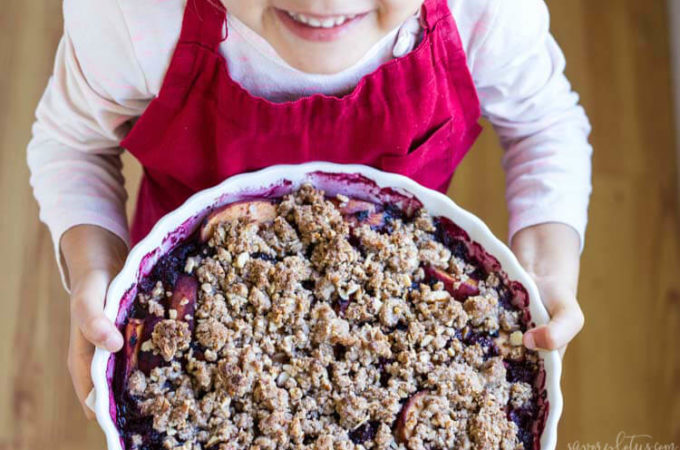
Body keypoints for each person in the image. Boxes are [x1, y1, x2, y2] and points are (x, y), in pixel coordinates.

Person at [27, 0, 591, 418]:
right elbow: (72, 143)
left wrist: (541, 272)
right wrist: (96, 271)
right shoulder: (134, 17)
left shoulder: (485, 14)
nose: (325, 3)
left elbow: (545, 127)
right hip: (185, 293)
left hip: (410, 289)